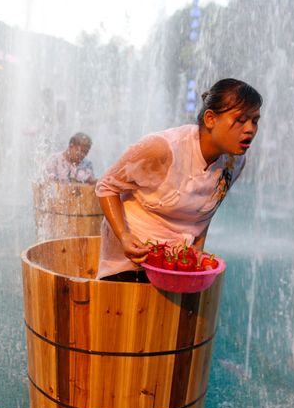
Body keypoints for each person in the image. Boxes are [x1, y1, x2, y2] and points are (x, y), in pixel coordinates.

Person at [95, 78, 262, 282]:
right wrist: (124, 236)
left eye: (255, 120)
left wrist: (197, 255)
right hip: (132, 258)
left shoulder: (234, 163)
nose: (250, 129)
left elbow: (205, 213)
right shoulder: (162, 148)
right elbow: (106, 186)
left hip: (177, 263)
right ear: (210, 119)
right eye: (241, 119)